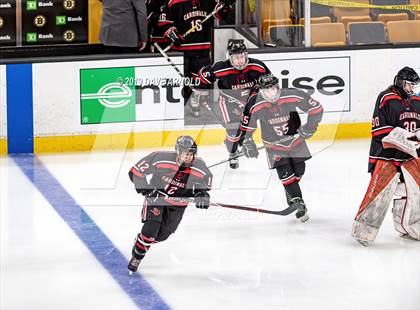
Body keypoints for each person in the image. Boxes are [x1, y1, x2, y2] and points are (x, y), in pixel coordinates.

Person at [233, 73, 324, 222]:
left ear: (278, 87)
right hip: (274, 146)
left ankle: (291, 192)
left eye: (273, 88)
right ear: (261, 90)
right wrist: (248, 141)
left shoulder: (293, 94)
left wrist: (310, 127)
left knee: (299, 170)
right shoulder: (254, 103)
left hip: (296, 141)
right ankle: (297, 202)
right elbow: (246, 125)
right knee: (285, 173)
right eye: (267, 90)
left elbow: (317, 108)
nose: (271, 93)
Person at [352, 67, 420, 246]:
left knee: (413, 192)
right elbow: (379, 130)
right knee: (380, 193)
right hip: (386, 155)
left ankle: (408, 227)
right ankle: (363, 230)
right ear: (400, 82)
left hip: (410, 156)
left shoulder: (418, 100)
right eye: (409, 85)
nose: (412, 89)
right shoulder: (386, 98)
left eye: (414, 86)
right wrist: (410, 139)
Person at [127, 136, 213, 274]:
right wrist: (149, 191)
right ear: (178, 152)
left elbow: (203, 185)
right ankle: (137, 256)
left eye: (191, 154)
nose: (188, 157)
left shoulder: (200, 167)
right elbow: (135, 172)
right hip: (157, 200)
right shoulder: (160, 158)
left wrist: (201, 195)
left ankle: (141, 242)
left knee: (161, 236)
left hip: (178, 205)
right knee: (151, 230)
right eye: (185, 154)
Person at [193, 39, 271, 168]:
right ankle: (233, 152)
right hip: (229, 101)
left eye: (242, 56)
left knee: (250, 126)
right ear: (229, 57)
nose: (240, 60)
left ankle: (246, 138)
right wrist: (200, 89)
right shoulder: (220, 68)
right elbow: (203, 75)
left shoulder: (258, 66)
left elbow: (269, 81)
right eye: (236, 57)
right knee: (233, 130)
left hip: (251, 101)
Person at [158, 0, 235, 111]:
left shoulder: (210, 1)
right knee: (181, 80)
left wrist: (225, 6)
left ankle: (196, 98)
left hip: (202, 48)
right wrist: (173, 35)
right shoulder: (173, 2)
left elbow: (220, 14)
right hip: (182, 50)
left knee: (200, 78)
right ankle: (178, 103)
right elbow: (164, 22)